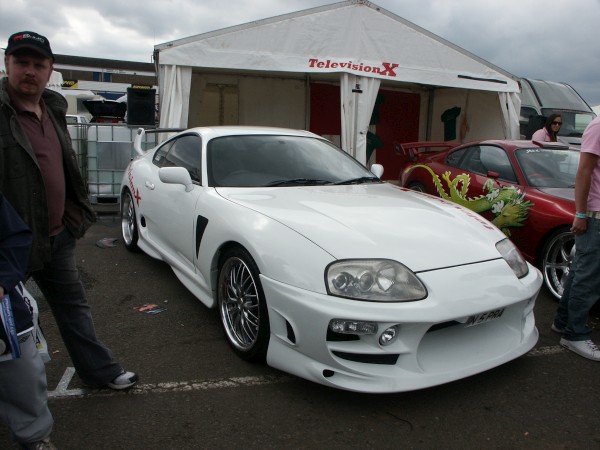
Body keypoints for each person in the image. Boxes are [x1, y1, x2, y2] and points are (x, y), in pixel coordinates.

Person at [0, 31, 138, 388]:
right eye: (21, 62)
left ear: (50, 70)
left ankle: (100, 372)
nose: (29, 71)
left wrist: (75, 217)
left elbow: (64, 167)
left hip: (57, 236)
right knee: (6, 323)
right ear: (7, 64)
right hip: (10, 247)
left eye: (38, 64)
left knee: (74, 310)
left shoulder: (54, 109)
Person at [0, 193, 56, 450]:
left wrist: (3, 280)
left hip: (4, 315)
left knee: (22, 377)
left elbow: (15, 236)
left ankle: (34, 438)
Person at [552, 115, 600, 361]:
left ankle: (563, 323)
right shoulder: (598, 126)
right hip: (595, 216)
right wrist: (580, 214)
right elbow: (583, 172)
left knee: (582, 272)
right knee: (589, 278)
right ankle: (575, 335)